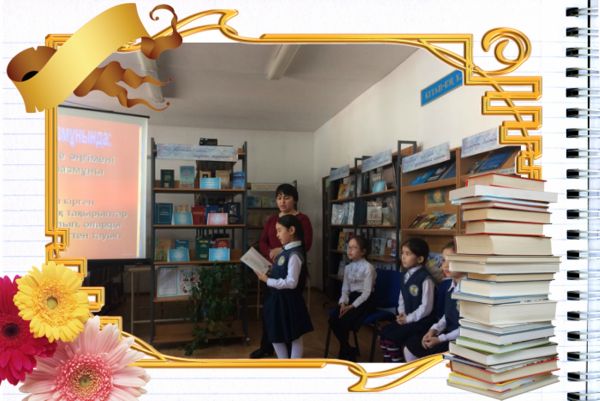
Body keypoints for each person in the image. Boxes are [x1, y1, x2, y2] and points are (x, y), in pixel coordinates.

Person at [250, 183, 313, 358]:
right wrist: (271, 253)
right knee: (271, 311)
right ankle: (267, 346)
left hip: (291, 270)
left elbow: (306, 243)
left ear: (295, 199)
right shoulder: (272, 220)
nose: (282, 201)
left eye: (286, 197)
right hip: (273, 269)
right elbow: (262, 241)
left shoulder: (302, 219)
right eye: (279, 198)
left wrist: (282, 250)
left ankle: (291, 355)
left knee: (289, 314)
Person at [403, 241, 463, 361]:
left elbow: (468, 329)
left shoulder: (471, 291)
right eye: (443, 260)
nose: (445, 265)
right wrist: (434, 329)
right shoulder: (449, 286)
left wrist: (440, 339)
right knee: (410, 346)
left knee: (429, 356)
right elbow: (447, 315)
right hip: (448, 334)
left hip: (460, 340)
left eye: (451, 260)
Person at [379, 238, 435, 362]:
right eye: (402, 253)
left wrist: (408, 319)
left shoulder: (425, 279)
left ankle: (398, 365)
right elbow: (402, 298)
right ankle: (389, 364)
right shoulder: (405, 275)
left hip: (421, 322)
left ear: (420, 259)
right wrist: (401, 313)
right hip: (407, 318)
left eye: (408, 254)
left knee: (392, 338)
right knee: (384, 333)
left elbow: (426, 308)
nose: (403, 257)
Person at [328, 235, 376, 361]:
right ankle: (347, 348)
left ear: (363, 251)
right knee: (333, 319)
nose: (350, 250)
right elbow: (345, 289)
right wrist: (343, 303)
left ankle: (345, 352)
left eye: (354, 248)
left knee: (344, 320)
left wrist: (351, 306)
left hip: (365, 300)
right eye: (349, 247)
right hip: (351, 297)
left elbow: (366, 293)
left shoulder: (368, 268)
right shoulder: (348, 268)